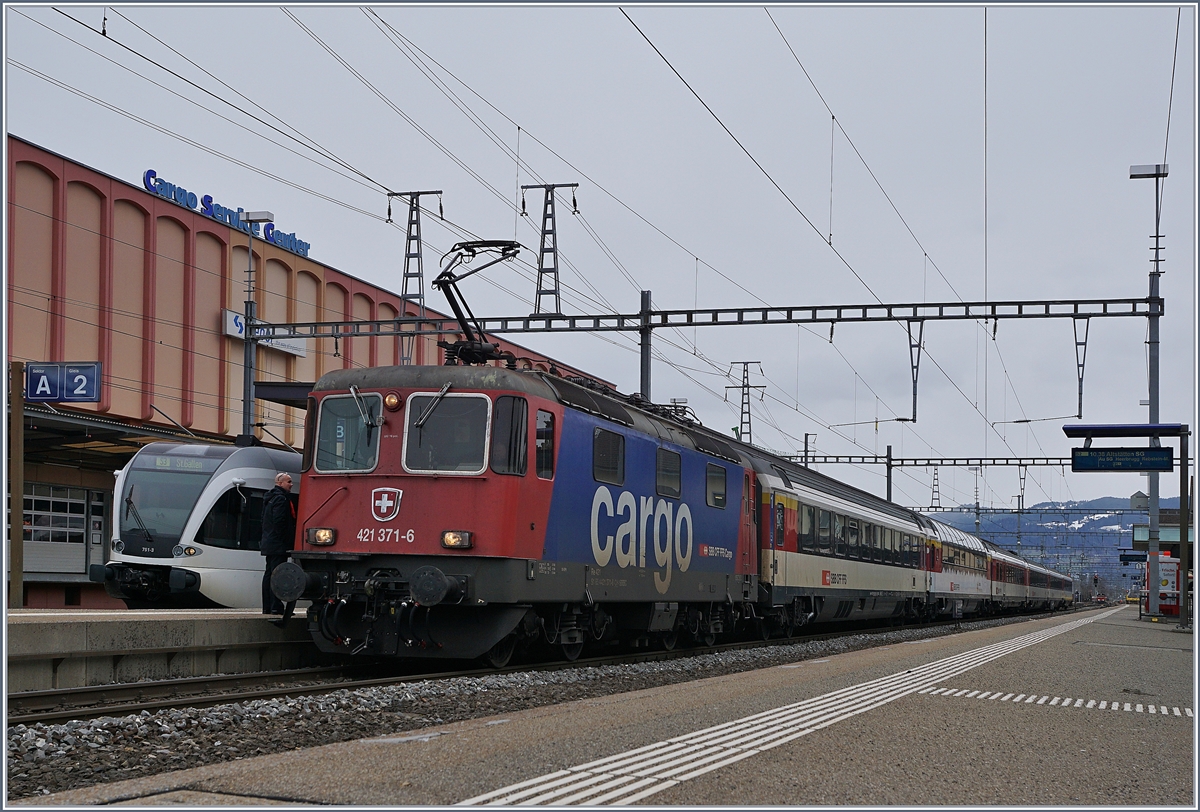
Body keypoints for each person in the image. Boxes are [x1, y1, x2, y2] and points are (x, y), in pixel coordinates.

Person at [260, 472, 297, 615]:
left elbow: (264, 520)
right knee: (277, 574)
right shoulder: (281, 499)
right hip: (278, 544)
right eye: (289, 482)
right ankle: (276, 606)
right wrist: (286, 540)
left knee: (269, 573)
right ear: (280, 483)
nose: (291, 484)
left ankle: (267, 606)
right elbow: (279, 522)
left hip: (269, 542)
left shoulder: (269, 498)